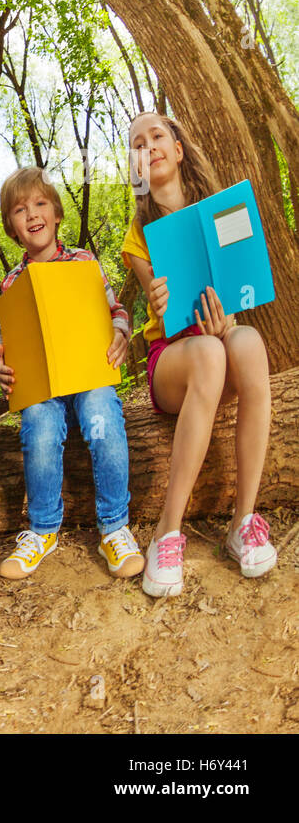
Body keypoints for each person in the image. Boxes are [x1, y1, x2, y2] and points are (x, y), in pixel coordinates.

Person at [122, 111, 276, 597]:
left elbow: (237, 282)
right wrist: (159, 298)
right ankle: (167, 533)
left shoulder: (225, 212)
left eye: (157, 137)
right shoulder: (139, 234)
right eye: (138, 145)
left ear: (179, 148)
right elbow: (159, 304)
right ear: (137, 167)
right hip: (174, 358)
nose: (149, 147)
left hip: (219, 338)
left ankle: (244, 521)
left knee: (246, 341)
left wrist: (228, 317)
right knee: (208, 350)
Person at [0, 167, 142, 580]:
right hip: (43, 387)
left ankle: (114, 526)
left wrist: (120, 334)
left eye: (40, 203)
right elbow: (11, 344)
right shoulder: (13, 282)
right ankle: (42, 530)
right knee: (38, 423)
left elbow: (116, 311)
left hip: (90, 374)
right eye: (21, 209)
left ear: (57, 213)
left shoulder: (84, 261)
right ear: (12, 226)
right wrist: (2, 367)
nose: (32, 214)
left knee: (102, 417)